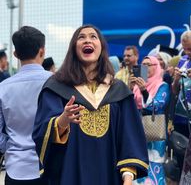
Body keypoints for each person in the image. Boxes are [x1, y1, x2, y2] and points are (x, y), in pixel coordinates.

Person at [33, 24, 149, 185]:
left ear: (101, 47)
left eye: (93, 37)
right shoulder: (56, 87)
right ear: (74, 47)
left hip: (110, 175)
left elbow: (129, 136)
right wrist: (62, 121)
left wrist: (128, 177)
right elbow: (40, 132)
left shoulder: (118, 91)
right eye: (81, 37)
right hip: (70, 174)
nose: (87, 40)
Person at [0, 26, 52, 185]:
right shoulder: (56, 83)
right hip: (49, 167)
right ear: (42, 51)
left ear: (15, 54)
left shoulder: (3, 87)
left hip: (16, 170)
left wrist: (9, 147)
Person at [130, 56, 170, 185]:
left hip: (153, 136)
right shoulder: (135, 87)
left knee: (153, 170)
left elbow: (157, 106)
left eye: (149, 64)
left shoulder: (163, 86)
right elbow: (126, 107)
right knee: (137, 166)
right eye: (143, 65)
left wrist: (143, 91)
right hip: (136, 132)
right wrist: (129, 89)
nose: (145, 67)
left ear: (156, 67)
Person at [172, 30, 191, 138]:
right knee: (182, 151)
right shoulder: (182, 60)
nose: (187, 52)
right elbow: (174, 91)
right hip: (181, 115)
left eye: (190, 48)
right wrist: (176, 79)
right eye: (184, 49)